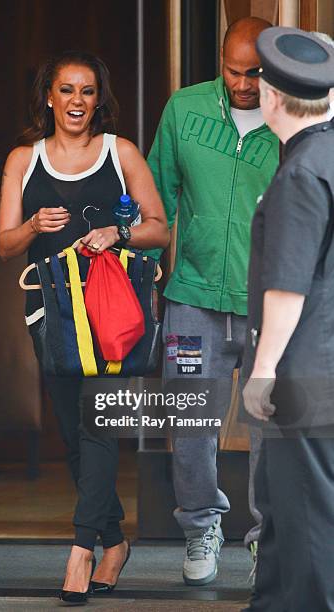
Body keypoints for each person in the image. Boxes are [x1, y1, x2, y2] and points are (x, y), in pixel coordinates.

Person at [0, 51, 169, 604]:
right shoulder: (24, 160)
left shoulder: (121, 153)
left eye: (87, 91)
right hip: (51, 317)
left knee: (96, 425)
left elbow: (159, 230)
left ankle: (82, 551)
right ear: (49, 96)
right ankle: (115, 540)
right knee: (73, 435)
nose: (76, 101)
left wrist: (118, 236)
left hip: (110, 317)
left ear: (100, 99)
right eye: (66, 90)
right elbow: (4, 246)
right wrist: (30, 225)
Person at [146, 17, 279, 585]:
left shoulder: (297, 118)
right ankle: (201, 526)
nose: (244, 84)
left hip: (269, 307)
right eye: (233, 71)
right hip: (193, 297)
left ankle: (267, 541)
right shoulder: (185, 109)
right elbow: (158, 196)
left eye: (256, 73)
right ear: (219, 64)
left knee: (272, 427)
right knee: (192, 421)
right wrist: (146, 277)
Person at [242, 27, 334, 611]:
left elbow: (288, 287)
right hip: (322, 362)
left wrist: (263, 371)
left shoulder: (301, 172)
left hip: (301, 367)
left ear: (272, 97)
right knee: (283, 504)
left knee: (305, 516)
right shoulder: (325, 151)